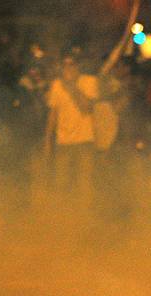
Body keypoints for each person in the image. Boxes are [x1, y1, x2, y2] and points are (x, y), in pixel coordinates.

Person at [43, 53, 99, 204]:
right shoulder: (56, 84)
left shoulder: (89, 81)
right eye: (65, 65)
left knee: (85, 183)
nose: (68, 68)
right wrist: (48, 141)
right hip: (64, 141)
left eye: (71, 64)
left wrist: (72, 86)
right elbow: (53, 114)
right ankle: (63, 215)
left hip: (85, 140)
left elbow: (87, 108)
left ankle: (85, 215)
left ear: (78, 66)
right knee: (61, 182)